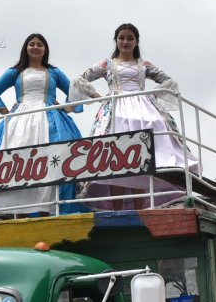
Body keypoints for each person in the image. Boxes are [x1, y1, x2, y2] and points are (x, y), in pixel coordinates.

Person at [70, 23, 198, 208]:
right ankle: (117, 208)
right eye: (122, 38)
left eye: (130, 38)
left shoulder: (144, 65)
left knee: (141, 161)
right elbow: (80, 79)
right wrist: (100, 97)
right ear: (116, 40)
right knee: (115, 159)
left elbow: (169, 81)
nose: (126, 41)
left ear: (136, 41)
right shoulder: (107, 63)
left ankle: (141, 209)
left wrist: (151, 95)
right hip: (116, 111)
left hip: (142, 108)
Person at [0, 33, 84, 214]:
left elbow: (74, 92)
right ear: (26, 48)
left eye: (40, 45)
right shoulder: (14, 72)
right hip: (19, 119)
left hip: (51, 118)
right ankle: (14, 207)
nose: (35, 47)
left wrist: (66, 107)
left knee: (58, 156)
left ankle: (51, 204)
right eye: (32, 44)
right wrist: (5, 112)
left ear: (45, 50)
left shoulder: (54, 72)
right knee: (15, 157)